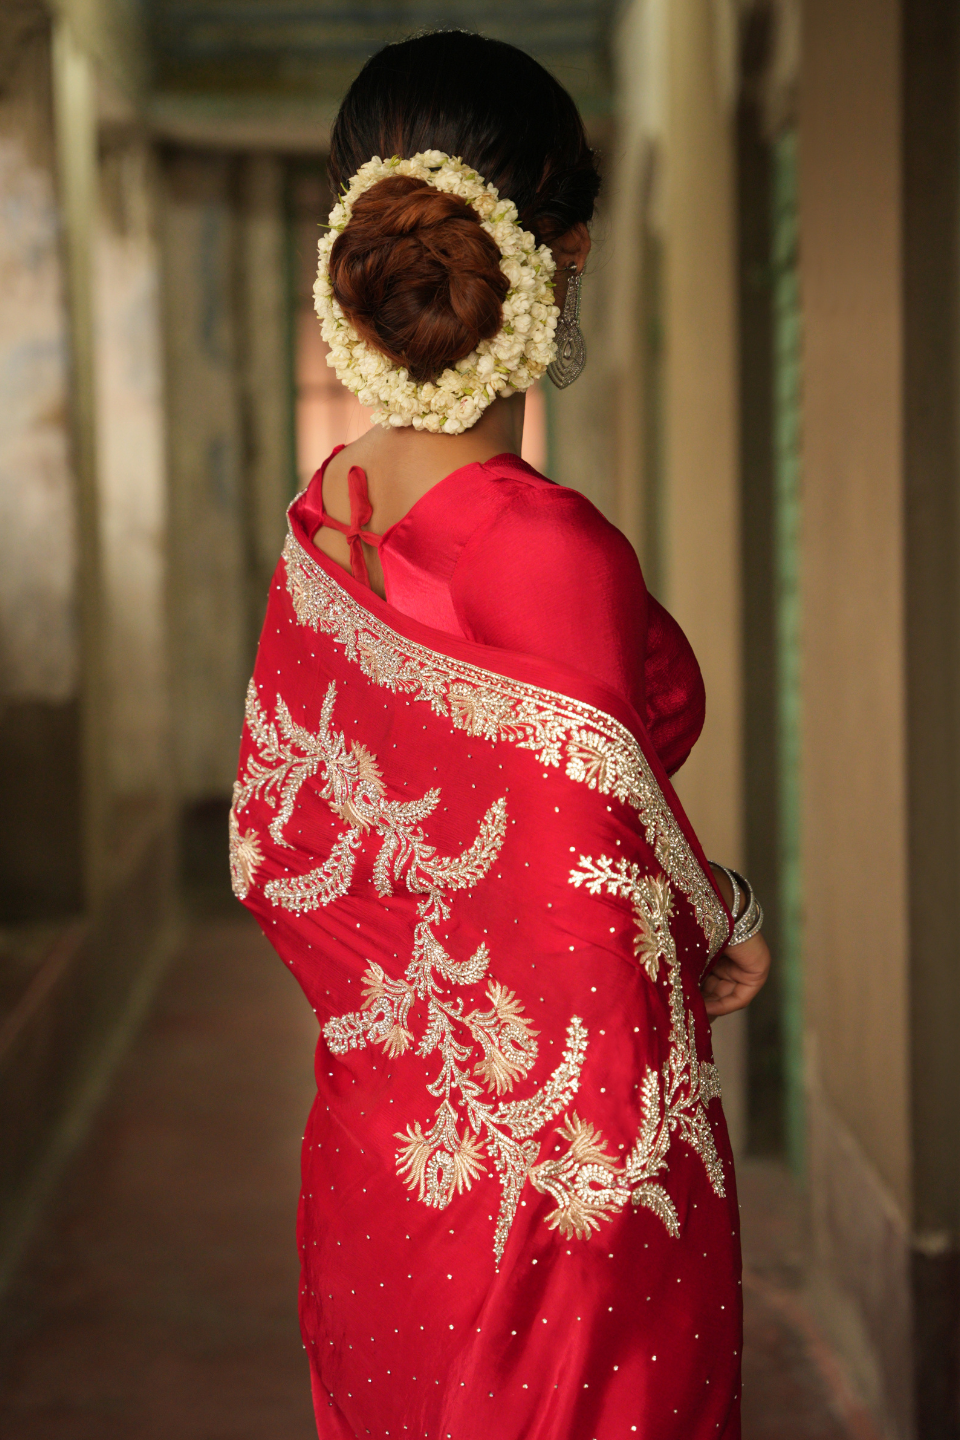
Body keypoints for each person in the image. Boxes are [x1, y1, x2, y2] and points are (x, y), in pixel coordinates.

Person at [231, 29, 770, 1440]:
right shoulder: (553, 554)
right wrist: (725, 911)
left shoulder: (326, 517)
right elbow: (588, 896)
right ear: (569, 250)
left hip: (378, 1164)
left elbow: (278, 845)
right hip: (558, 1208)